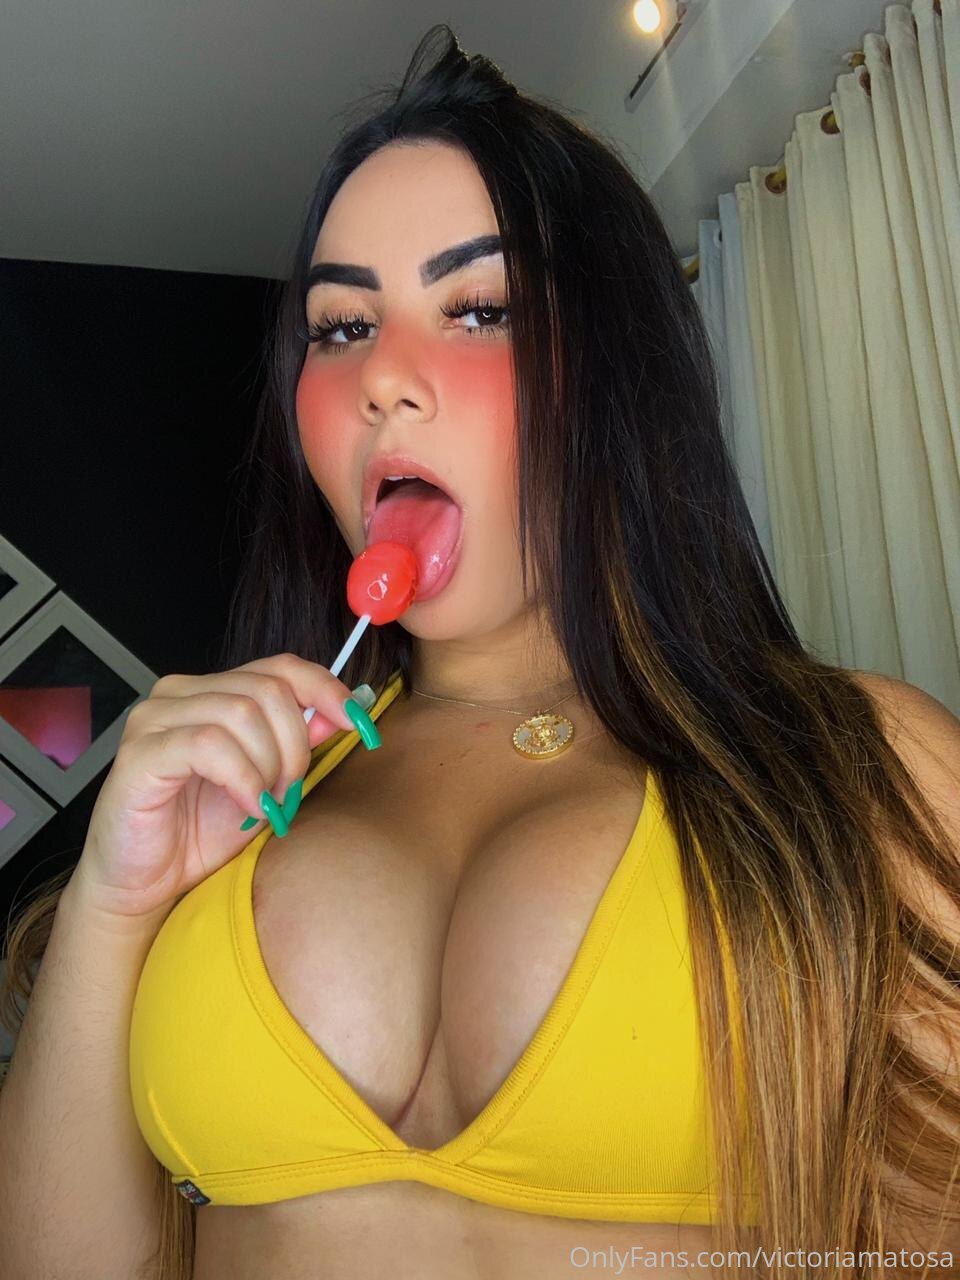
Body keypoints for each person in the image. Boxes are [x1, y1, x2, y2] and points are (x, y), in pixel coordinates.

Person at [3, 23, 960, 1280]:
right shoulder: (229, 806)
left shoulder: (864, 765)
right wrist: (115, 895)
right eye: (341, 326)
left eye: (480, 307)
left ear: (619, 376)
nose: (385, 379)